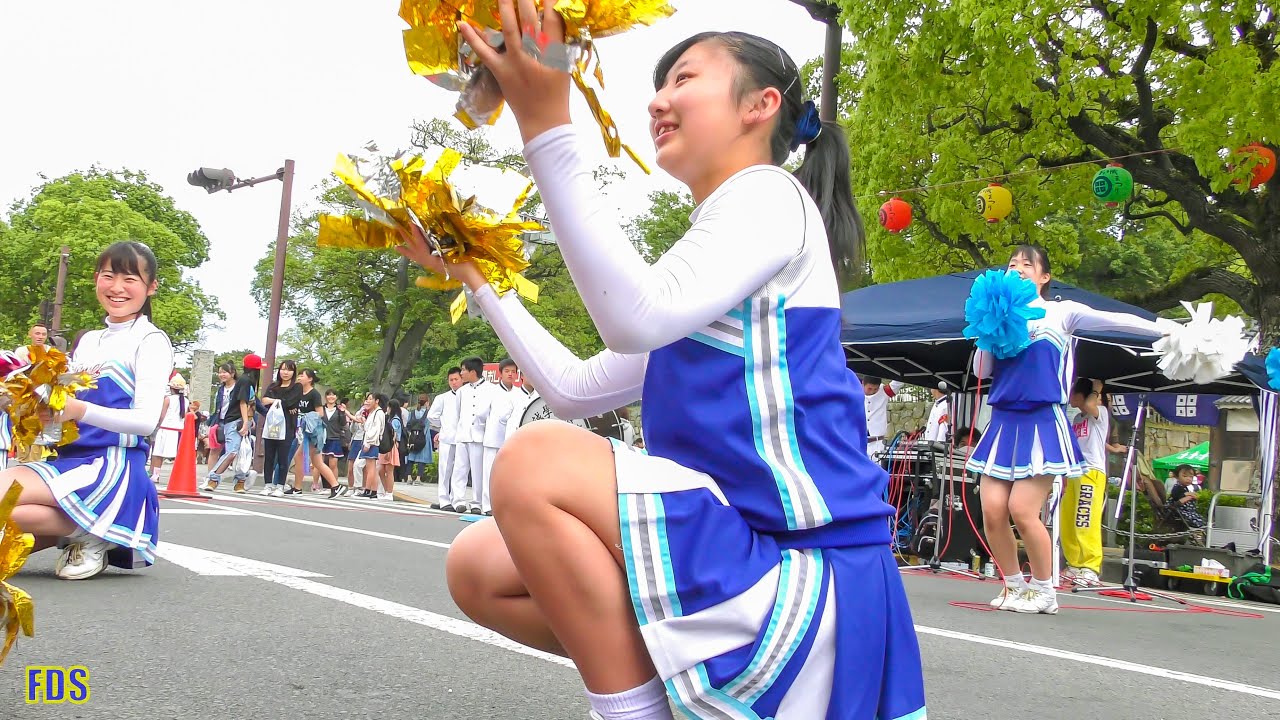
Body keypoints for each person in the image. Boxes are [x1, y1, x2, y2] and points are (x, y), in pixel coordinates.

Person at [400, 15, 926, 720]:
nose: (656, 101)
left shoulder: (768, 195)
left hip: (805, 576)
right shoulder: (723, 250)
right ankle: (660, 693)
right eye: (658, 84)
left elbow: (634, 315)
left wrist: (548, 126)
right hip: (746, 565)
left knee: (534, 463)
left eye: (684, 78)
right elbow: (573, 390)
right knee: (480, 565)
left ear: (759, 105)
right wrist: (473, 277)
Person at [967, 244, 1166, 614]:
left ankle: (1045, 591)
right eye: (1012, 264)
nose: (1018, 269)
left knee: (1023, 510)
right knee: (992, 510)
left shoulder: (1060, 313)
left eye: (1028, 264)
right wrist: (987, 329)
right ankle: (1014, 586)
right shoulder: (1000, 318)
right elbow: (981, 372)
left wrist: (1166, 330)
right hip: (1004, 422)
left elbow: (1114, 321)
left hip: (1043, 420)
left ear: (1044, 277)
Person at [0, 241, 172, 580]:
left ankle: (99, 528)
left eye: (130, 279)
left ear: (150, 287)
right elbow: (61, 403)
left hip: (112, 467)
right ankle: (86, 530)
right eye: (109, 276)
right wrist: (23, 401)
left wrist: (78, 409)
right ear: (96, 279)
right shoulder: (91, 339)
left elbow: (145, 421)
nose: (117, 288)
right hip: (68, 460)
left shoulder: (151, 341)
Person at [1060, 377, 1109, 588]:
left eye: (1073, 392)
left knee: (1085, 519)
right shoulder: (1078, 418)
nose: (1070, 396)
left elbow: (1091, 405)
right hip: (1075, 472)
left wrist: (1096, 389)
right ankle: (1074, 563)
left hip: (1092, 472)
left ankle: (1090, 567)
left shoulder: (1100, 413)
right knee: (1068, 519)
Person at [292, 369, 341, 497]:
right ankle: (335, 486)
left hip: (314, 432)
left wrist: (306, 417)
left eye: (302, 376)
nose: (299, 378)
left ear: (310, 379)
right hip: (305, 431)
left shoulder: (314, 394)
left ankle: (298, 487)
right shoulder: (298, 392)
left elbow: (320, 413)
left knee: (304, 458)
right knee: (316, 461)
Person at [259, 360, 302, 497]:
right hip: (271, 426)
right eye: (283, 369)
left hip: (287, 426)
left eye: (289, 370)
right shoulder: (273, 386)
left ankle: (280, 486)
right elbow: (264, 401)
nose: (285, 372)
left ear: (293, 372)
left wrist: (275, 401)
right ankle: (267, 485)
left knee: (283, 457)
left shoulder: (297, 387)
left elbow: (291, 402)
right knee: (269, 456)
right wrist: (277, 402)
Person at [428, 367, 465, 511]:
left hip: (462, 439)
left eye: (456, 379)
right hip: (447, 438)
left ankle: (457, 499)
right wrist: (443, 426)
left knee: (459, 471)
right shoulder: (442, 398)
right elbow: (432, 416)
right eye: (451, 380)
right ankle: (444, 499)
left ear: (462, 379)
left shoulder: (467, 396)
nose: (454, 382)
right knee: (445, 470)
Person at [148, 372, 188, 483]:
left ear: (171, 387)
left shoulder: (168, 399)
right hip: (178, 430)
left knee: (158, 454)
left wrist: (157, 424)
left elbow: (162, 415)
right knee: (177, 456)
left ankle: (156, 475)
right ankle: (178, 478)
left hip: (165, 428)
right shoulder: (186, 401)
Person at [1169, 463, 1206, 528]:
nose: (1188, 479)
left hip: (1189, 511)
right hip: (1180, 511)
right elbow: (1175, 495)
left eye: (1191, 477)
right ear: (1177, 477)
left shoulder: (1185, 488)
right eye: (1185, 476)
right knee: (1195, 520)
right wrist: (1188, 495)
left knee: (1201, 518)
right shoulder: (1177, 487)